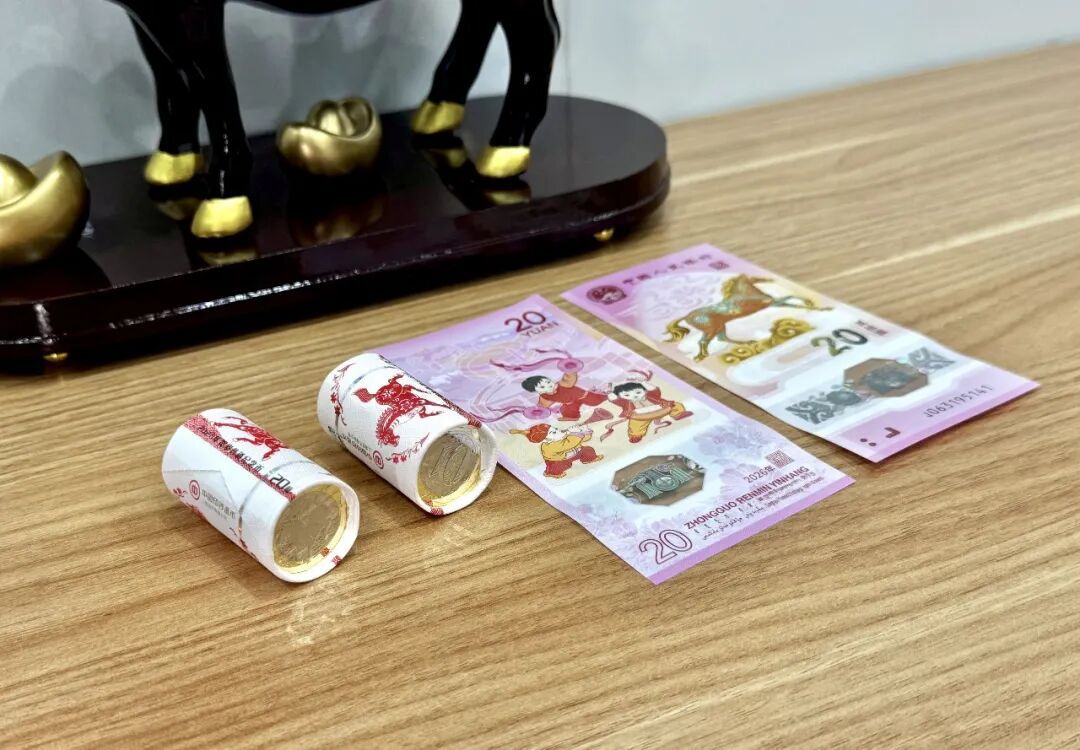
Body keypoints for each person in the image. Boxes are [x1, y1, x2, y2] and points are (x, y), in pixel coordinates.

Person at [510, 423, 603, 479]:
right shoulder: (549, 446)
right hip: (559, 459)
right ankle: (552, 473)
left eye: (555, 429)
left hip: (574, 452)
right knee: (558, 467)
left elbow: (583, 439)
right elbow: (569, 444)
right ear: (546, 439)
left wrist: (585, 431)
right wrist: (576, 432)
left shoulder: (562, 436)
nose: (558, 431)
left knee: (588, 450)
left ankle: (589, 459)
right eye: (554, 432)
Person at [609, 382, 693, 443]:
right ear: (620, 396)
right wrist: (610, 392)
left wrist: (643, 382)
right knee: (635, 424)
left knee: (676, 405)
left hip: (662, 408)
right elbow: (613, 399)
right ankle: (636, 435)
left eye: (638, 392)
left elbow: (653, 389)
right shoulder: (625, 402)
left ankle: (678, 414)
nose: (635, 396)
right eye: (627, 395)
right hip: (641, 416)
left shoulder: (651, 395)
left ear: (645, 391)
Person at [522, 372, 608, 421]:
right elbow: (542, 405)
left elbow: (569, 379)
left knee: (595, 401)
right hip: (570, 402)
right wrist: (537, 411)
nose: (549, 385)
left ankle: (605, 395)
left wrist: (569, 372)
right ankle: (572, 417)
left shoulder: (562, 384)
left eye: (548, 382)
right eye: (542, 387)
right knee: (567, 411)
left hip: (582, 396)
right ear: (538, 391)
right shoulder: (545, 396)